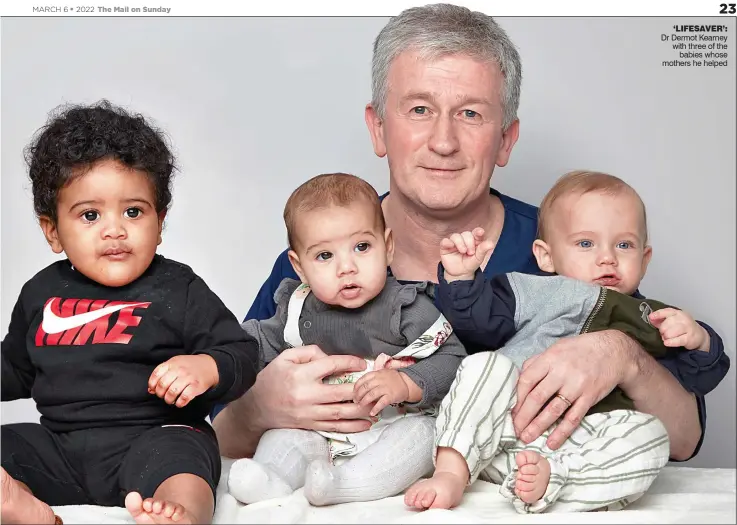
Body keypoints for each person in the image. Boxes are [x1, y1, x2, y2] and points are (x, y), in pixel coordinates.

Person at [212, 3, 722, 469]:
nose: (443, 141)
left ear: (505, 141)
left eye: (471, 114)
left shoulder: (568, 251)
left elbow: (682, 438)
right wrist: (256, 410)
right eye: (419, 109)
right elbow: (214, 434)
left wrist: (623, 356)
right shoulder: (319, 257)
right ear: (377, 128)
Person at [404, 170, 729, 512]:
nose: (608, 257)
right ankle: (452, 470)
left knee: (651, 437)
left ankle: (556, 478)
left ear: (644, 260)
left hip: (585, 438)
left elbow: (696, 379)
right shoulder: (536, 290)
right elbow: (477, 323)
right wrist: (461, 277)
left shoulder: (650, 315)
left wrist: (701, 340)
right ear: (545, 256)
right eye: (586, 243)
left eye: (624, 244)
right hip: (507, 419)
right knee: (483, 366)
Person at [0, 101, 260, 525]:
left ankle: (182, 513)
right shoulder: (41, 293)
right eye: (90, 214)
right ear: (52, 231)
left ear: (160, 222)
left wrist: (206, 366)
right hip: (60, 447)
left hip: (152, 439)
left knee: (184, 456)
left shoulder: (179, 288)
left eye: (133, 211)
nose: (114, 229)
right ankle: (28, 510)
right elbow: (15, 367)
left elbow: (242, 353)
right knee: (7, 446)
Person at [225, 173, 467, 506]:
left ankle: (346, 485)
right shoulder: (295, 307)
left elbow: (454, 359)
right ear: (299, 266)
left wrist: (407, 384)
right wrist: (207, 353)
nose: (347, 267)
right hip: (317, 429)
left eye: (362, 247)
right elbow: (248, 345)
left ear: (388, 247)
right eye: (325, 256)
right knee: (282, 436)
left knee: (422, 439)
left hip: (391, 426)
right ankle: (271, 479)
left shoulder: (407, 307)